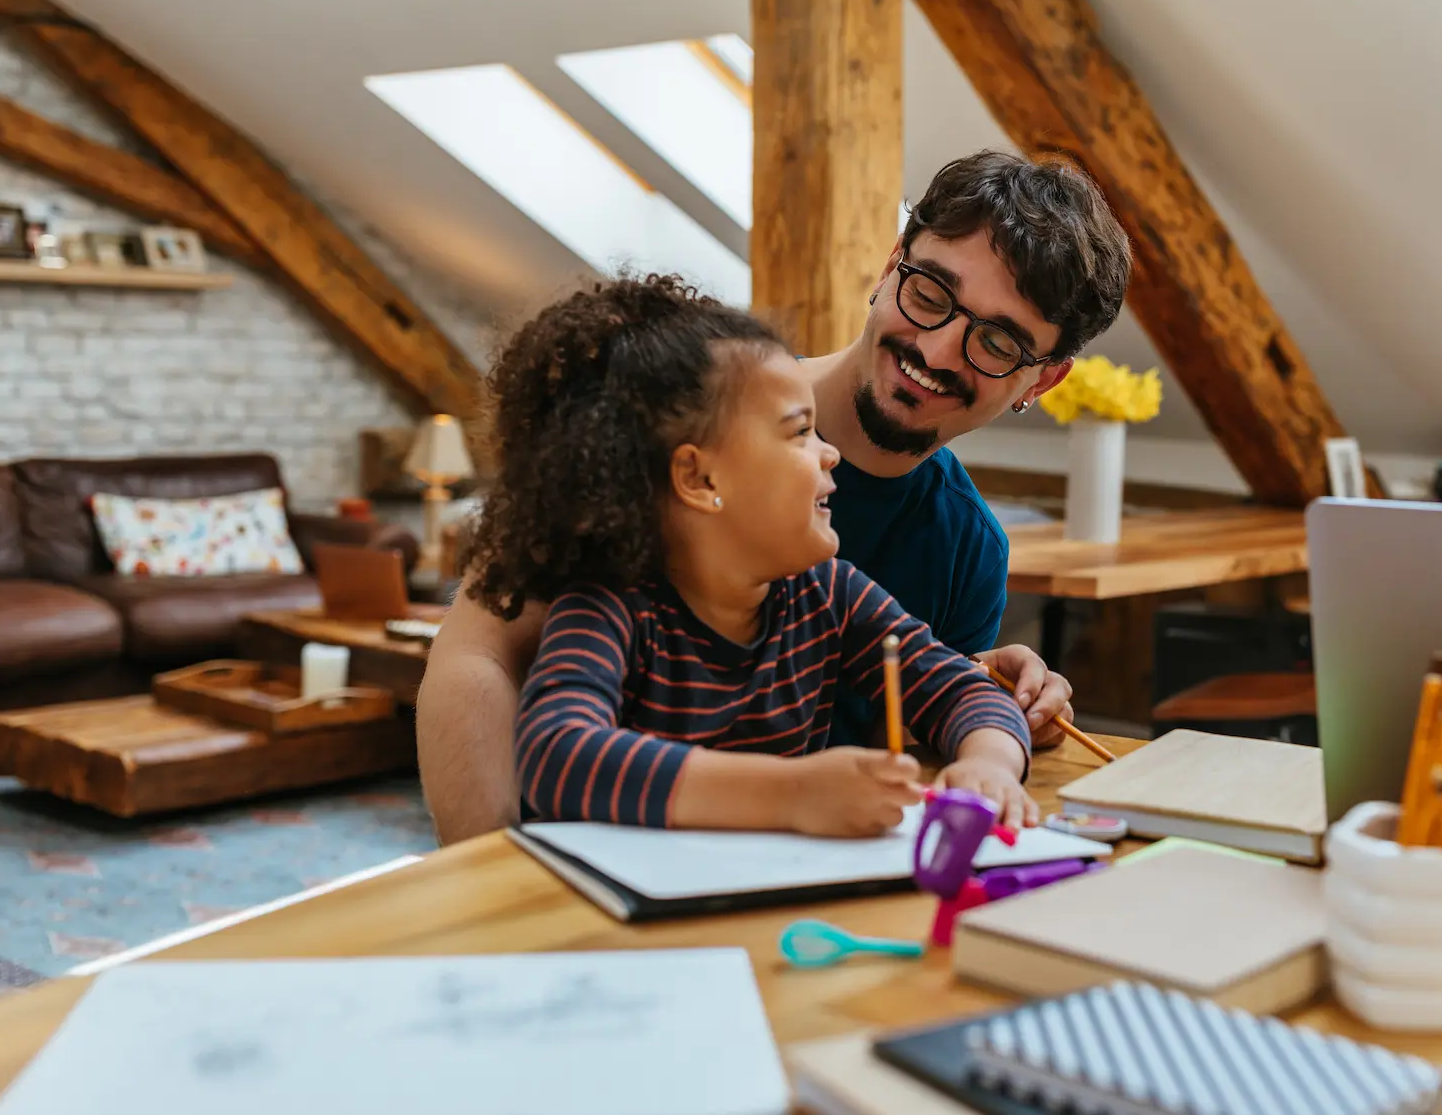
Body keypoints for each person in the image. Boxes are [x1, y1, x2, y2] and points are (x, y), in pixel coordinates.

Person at [418, 151, 1132, 842]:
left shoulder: (861, 577)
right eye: (931, 294)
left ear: (1041, 381)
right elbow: (494, 676)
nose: (940, 351)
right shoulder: (673, 437)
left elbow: (937, 710)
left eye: (999, 343)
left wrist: (994, 731)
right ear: (890, 268)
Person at [474, 276, 1034, 834]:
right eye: (800, 433)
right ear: (699, 477)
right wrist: (793, 795)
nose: (830, 453)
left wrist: (990, 765)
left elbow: (963, 689)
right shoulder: (612, 605)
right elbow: (558, 758)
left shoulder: (833, 594)